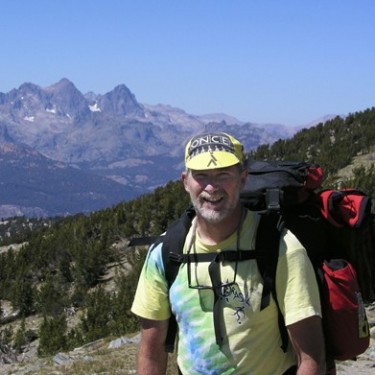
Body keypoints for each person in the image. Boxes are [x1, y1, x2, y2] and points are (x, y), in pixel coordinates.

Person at [131, 132, 326, 374]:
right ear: (185, 182)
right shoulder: (165, 252)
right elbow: (151, 353)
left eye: (223, 174)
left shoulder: (282, 248)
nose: (211, 188)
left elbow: (311, 359)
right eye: (201, 176)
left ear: (243, 179)